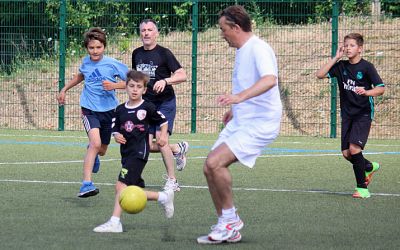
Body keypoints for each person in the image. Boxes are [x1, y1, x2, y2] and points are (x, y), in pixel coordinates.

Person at [197, 5, 282, 244]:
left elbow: (269, 80)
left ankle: (230, 220)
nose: (222, 34)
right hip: (242, 120)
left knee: (215, 163)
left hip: (261, 123)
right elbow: (249, 83)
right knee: (208, 167)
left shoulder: (259, 48)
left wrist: (239, 98)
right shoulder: (242, 51)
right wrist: (234, 110)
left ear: (235, 27)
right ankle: (227, 224)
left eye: (223, 29)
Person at [93, 70, 174, 233]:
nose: (135, 89)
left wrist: (163, 135)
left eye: (138, 87)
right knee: (132, 190)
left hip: (139, 152)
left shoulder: (147, 107)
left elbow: (163, 121)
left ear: (144, 90)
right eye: (131, 86)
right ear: (126, 88)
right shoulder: (119, 109)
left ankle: (115, 222)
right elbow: (114, 127)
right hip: (126, 153)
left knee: (120, 186)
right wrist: (116, 135)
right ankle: (163, 197)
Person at [57, 27, 129, 198]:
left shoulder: (113, 64)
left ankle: (94, 153)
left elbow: (134, 81)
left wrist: (114, 85)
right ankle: (86, 184)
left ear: (104, 47)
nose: (95, 51)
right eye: (91, 48)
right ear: (87, 48)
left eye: (98, 47)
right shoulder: (86, 63)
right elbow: (81, 76)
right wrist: (64, 89)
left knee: (102, 149)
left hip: (110, 111)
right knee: (96, 143)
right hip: (89, 109)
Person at [316, 33, 385, 199]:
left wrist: (367, 92)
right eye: (346, 45)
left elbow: (381, 88)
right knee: (347, 153)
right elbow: (320, 74)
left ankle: (362, 189)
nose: (347, 48)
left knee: (354, 149)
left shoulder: (367, 67)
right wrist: (336, 58)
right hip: (347, 115)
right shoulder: (341, 67)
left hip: (363, 114)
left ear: (360, 48)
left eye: (352, 45)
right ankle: (368, 166)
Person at [132, 19, 189, 192]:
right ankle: (178, 149)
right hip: (147, 105)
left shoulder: (164, 53)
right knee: (147, 145)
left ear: (156, 33)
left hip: (165, 103)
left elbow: (182, 75)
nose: (146, 33)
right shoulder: (136, 54)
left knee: (161, 139)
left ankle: (172, 181)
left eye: (150, 30)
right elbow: (137, 80)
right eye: (143, 30)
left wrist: (165, 81)